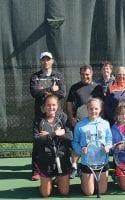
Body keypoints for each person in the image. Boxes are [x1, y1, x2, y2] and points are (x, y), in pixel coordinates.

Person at [30, 51, 66, 181]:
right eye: (43, 59)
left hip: (56, 115)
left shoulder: (58, 76)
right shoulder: (35, 76)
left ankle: (60, 169)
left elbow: (62, 93)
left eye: (48, 59)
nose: (46, 62)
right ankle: (36, 171)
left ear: (52, 61)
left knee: (59, 141)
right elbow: (34, 92)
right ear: (41, 62)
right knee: (38, 141)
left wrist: (43, 90)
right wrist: (51, 90)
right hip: (40, 115)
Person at [66, 64, 104, 178]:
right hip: (78, 122)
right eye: (82, 74)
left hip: (93, 122)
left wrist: (99, 119)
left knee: (90, 144)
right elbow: (68, 103)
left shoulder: (98, 87)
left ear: (91, 74)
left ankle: (87, 167)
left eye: (87, 74)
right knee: (75, 144)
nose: (85, 76)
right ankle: (74, 167)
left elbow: (102, 105)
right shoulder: (74, 87)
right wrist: (71, 117)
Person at [33, 94, 72, 197]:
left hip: (62, 159)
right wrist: (55, 133)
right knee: (45, 194)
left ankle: (58, 179)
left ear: (58, 106)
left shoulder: (63, 118)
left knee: (64, 192)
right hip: (45, 160)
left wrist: (47, 136)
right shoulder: (39, 120)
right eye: (48, 105)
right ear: (44, 107)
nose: (51, 108)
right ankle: (47, 181)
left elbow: (69, 137)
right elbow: (37, 139)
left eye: (54, 105)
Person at [72, 98, 112, 196]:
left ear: (100, 109)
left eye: (96, 108)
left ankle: (93, 180)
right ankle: (83, 176)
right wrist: (81, 150)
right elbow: (75, 142)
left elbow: (109, 139)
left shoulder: (105, 124)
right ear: (87, 109)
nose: (93, 111)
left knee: (102, 191)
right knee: (89, 193)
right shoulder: (80, 125)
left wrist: (108, 146)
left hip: (103, 162)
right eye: (91, 108)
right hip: (87, 162)